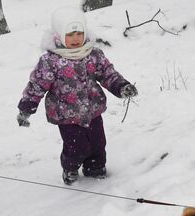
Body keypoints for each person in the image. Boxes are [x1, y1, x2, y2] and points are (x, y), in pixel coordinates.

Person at [17, 7, 137, 185]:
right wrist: (26, 108)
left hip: (93, 110)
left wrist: (121, 86)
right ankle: (70, 168)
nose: (76, 38)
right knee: (77, 147)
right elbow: (37, 85)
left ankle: (95, 168)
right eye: (70, 34)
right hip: (66, 115)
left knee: (98, 144)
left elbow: (107, 73)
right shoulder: (50, 61)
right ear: (59, 35)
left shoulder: (93, 55)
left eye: (79, 33)